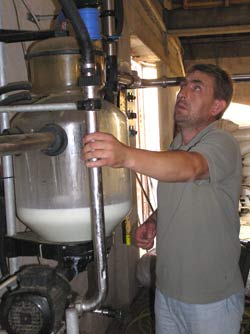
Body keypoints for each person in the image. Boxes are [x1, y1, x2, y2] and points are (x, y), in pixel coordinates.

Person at [83, 63, 245, 334]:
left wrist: (125, 155)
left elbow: (191, 168)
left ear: (217, 106)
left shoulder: (222, 142)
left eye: (196, 87)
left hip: (211, 300)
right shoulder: (175, 147)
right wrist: (153, 221)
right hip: (167, 293)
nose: (183, 93)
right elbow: (181, 189)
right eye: (183, 85)